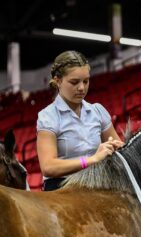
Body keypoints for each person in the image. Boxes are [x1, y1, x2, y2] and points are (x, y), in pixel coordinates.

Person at [37, 50, 124, 191]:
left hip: (98, 183)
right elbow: (48, 167)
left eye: (86, 81)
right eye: (74, 82)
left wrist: (115, 148)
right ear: (58, 81)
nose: (82, 88)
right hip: (61, 188)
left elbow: (120, 149)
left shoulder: (98, 111)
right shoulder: (48, 116)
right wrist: (91, 160)